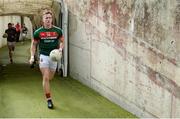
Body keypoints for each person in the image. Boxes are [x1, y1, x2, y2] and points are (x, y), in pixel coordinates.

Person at [29, 8, 64, 109]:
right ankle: (49, 100)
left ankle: (47, 86)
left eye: (50, 18)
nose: (48, 19)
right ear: (43, 20)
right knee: (45, 77)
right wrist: (32, 56)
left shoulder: (58, 30)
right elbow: (34, 45)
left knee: (50, 77)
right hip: (43, 56)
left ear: (52, 19)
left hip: (54, 57)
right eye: (46, 18)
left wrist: (60, 49)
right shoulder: (38, 32)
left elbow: (62, 41)